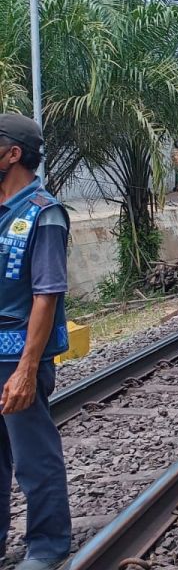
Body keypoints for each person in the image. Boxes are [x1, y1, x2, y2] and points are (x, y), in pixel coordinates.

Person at [0, 113, 72, 570]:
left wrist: (27, 369)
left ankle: (48, 545)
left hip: (18, 355)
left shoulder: (43, 213)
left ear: (12, 153)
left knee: (32, 455)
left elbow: (47, 295)